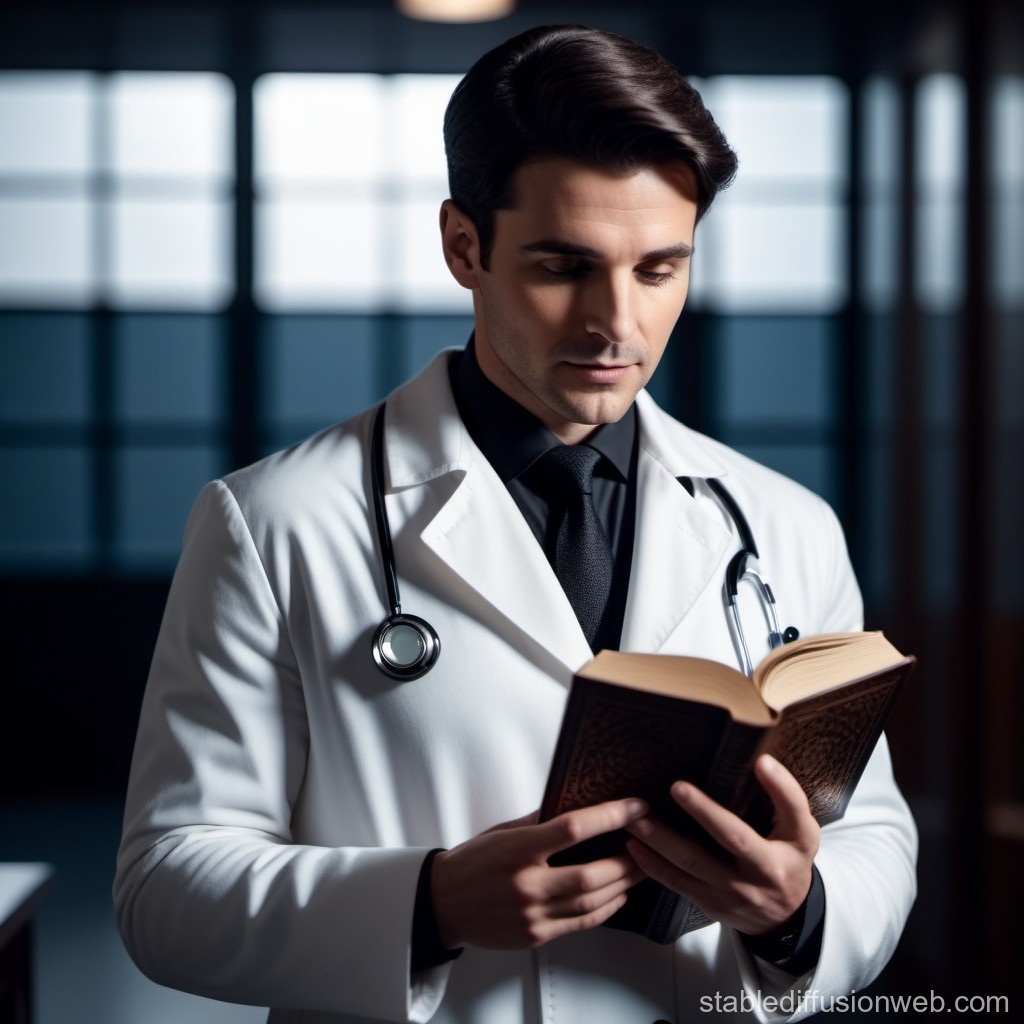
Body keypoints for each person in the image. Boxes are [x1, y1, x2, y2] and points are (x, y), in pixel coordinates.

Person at [114, 23, 917, 1024]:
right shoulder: (274, 523)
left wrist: (796, 914)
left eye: (658, 269)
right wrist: (431, 904)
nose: (615, 323)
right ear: (465, 247)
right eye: (563, 266)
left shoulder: (785, 525)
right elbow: (164, 888)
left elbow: (873, 836)